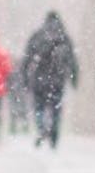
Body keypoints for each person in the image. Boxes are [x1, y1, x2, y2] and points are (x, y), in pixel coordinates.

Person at [22, 11, 79, 149]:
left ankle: (41, 127)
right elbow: (72, 60)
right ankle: (54, 133)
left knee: (39, 106)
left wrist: (25, 79)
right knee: (56, 108)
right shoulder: (64, 38)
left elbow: (27, 59)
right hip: (57, 80)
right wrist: (74, 78)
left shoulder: (37, 36)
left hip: (39, 80)